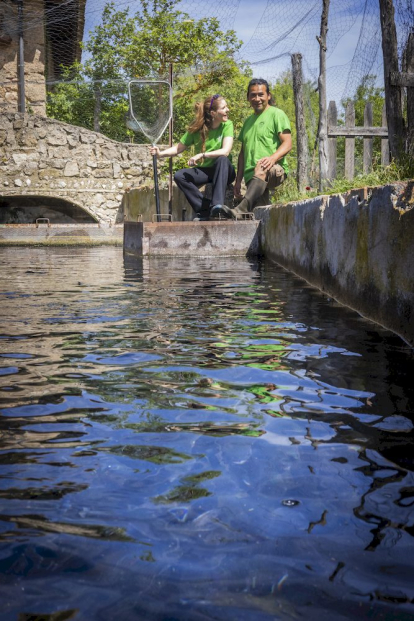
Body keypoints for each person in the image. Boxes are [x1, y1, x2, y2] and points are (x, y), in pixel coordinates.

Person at [211, 78, 292, 219]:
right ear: (248, 97)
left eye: (261, 94)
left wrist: (272, 159)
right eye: (253, 95)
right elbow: (242, 154)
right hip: (252, 178)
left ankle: (240, 208)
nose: (257, 98)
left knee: (261, 167)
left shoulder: (276, 114)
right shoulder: (248, 122)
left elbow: (287, 144)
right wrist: (238, 180)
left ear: (269, 96)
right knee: (258, 216)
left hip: (273, 169)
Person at [149, 95, 235, 221]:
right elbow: (178, 148)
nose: (228, 110)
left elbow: (226, 151)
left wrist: (202, 154)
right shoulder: (197, 129)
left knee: (222, 159)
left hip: (225, 170)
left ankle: (217, 206)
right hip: (207, 171)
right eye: (224, 107)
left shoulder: (227, 125)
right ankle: (204, 210)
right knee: (180, 175)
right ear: (213, 113)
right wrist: (160, 154)